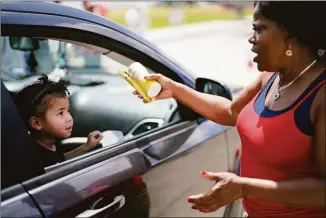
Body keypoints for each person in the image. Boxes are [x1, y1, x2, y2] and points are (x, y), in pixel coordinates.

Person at [134, 2, 325, 217]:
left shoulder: (320, 94)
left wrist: (244, 188)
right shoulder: (270, 78)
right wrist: (175, 89)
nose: (251, 39)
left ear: (291, 34)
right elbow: (231, 112)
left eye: (259, 29)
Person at [16, 75, 103, 167]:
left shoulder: (51, 141)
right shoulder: (35, 158)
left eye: (68, 111)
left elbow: (60, 160)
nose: (69, 118)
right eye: (60, 113)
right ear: (37, 123)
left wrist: (87, 146)